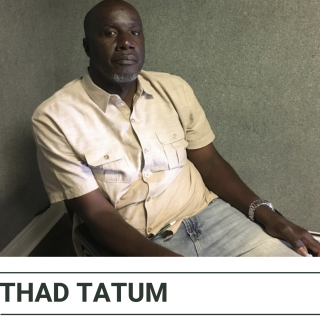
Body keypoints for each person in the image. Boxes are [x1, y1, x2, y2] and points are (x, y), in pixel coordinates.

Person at [32, 0, 320, 257]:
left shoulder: (174, 88)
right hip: (142, 242)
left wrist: (267, 214)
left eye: (134, 32)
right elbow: (96, 214)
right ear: (86, 46)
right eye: (110, 33)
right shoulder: (54, 117)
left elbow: (209, 164)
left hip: (214, 218)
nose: (126, 42)